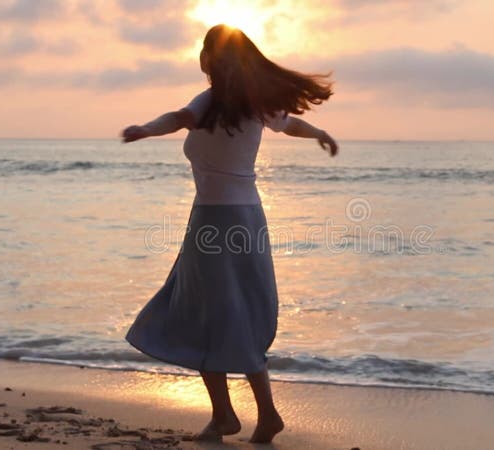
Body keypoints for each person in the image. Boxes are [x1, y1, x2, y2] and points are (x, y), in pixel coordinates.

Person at [121, 24, 337, 443]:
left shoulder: (210, 102)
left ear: (209, 61)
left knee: (206, 312)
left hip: (214, 222)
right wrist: (320, 134)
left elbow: (178, 118)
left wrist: (146, 129)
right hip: (248, 218)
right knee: (237, 312)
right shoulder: (253, 104)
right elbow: (289, 125)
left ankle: (231, 416)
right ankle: (257, 415)